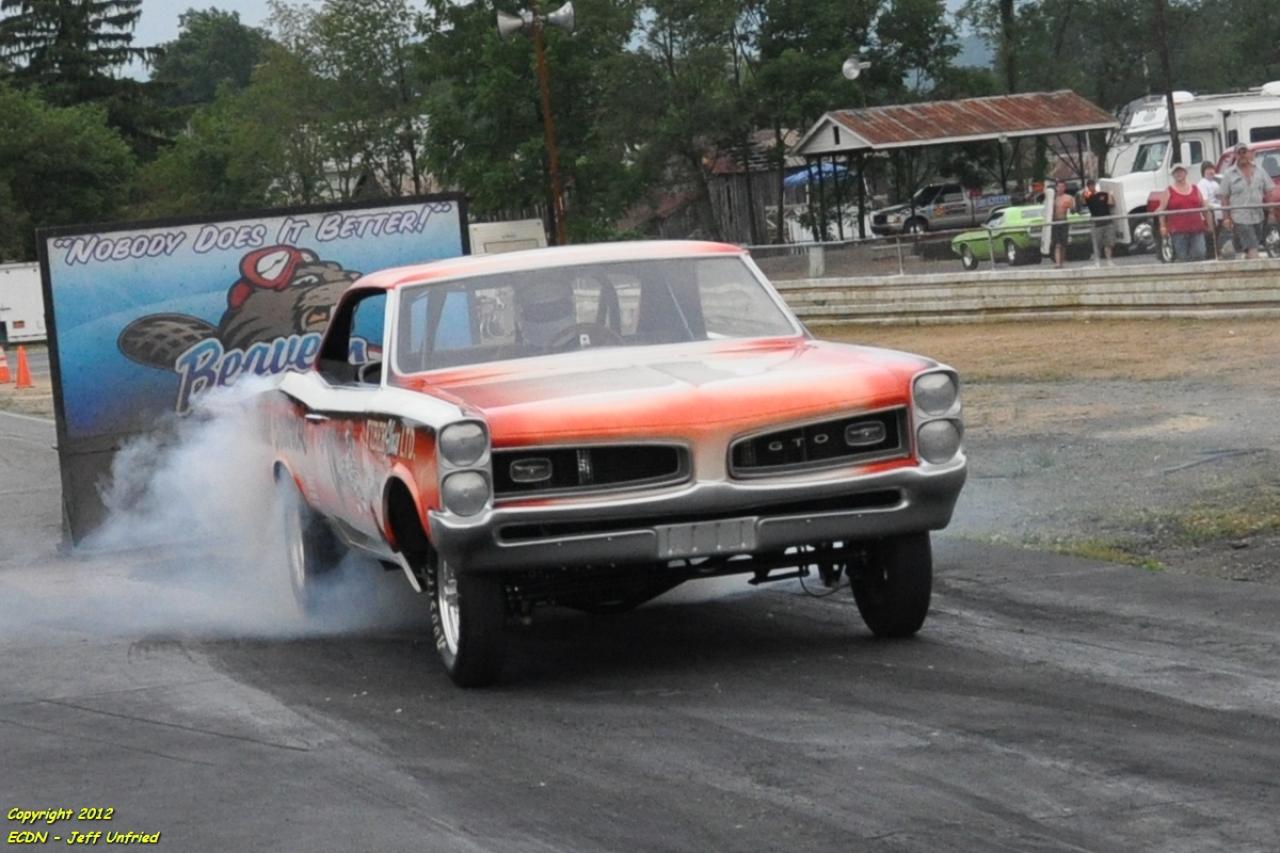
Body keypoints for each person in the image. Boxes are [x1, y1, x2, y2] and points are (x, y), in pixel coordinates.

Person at [1219, 143, 1273, 259]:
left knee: (1252, 245)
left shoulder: (1259, 170)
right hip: (1240, 217)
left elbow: (1269, 191)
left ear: (1249, 154)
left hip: (1258, 216)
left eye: (1244, 152)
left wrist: (1271, 212)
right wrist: (1226, 218)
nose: (1242, 155)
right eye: (1239, 153)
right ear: (1235, 155)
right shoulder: (1229, 174)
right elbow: (1224, 197)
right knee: (1252, 245)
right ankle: (1256, 266)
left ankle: (1245, 260)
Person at [1154, 162, 1213, 261]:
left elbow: (1204, 207)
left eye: (1181, 171)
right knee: (1183, 257)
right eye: (1176, 172)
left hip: (1197, 229)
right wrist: (1163, 226)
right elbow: (1162, 210)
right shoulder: (1168, 191)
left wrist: (1210, 224)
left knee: (1200, 253)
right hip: (1178, 232)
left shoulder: (1195, 188)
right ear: (1173, 175)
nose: (1179, 174)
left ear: (1186, 173)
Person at [1196, 161, 1227, 259]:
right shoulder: (1202, 183)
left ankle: (1219, 254)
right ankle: (1212, 257)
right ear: (1203, 171)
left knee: (1219, 238)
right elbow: (1204, 202)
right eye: (1208, 169)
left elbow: (1221, 198)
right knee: (1210, 238)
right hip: (1210, 216)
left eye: (1212, 169)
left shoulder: (1215, 183)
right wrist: (1209, 217)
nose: (1211, 171)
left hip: (1219, 215)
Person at [1083, 178, 1116, 264]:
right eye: (1089, 186)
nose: (1092, 187)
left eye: (1093, 185)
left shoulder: (1103, 194)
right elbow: (1084, 200)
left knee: (1109, 243)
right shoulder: (1088, 196)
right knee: (1097, 244)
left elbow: (1111, 204)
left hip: (1107, 221)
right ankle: (1097, 261)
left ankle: (1109, 260)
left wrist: (1110, 194)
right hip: (1097, 223)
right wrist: (1086, 190)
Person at [1050, 179, 1074, 268]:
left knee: (1063, 244)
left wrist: (1070, 206)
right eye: (1059, 186)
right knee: (1057, 244)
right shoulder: (1052, 198)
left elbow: (1073, 211)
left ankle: (1062, 262)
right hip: (1055, 222)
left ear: (1065, 188)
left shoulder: (1068, 197)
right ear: (1056, 187)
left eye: (1062, 186)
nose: (1060, 188)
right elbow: (1048, 211)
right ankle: (1057, 263)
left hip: (1064, 221)